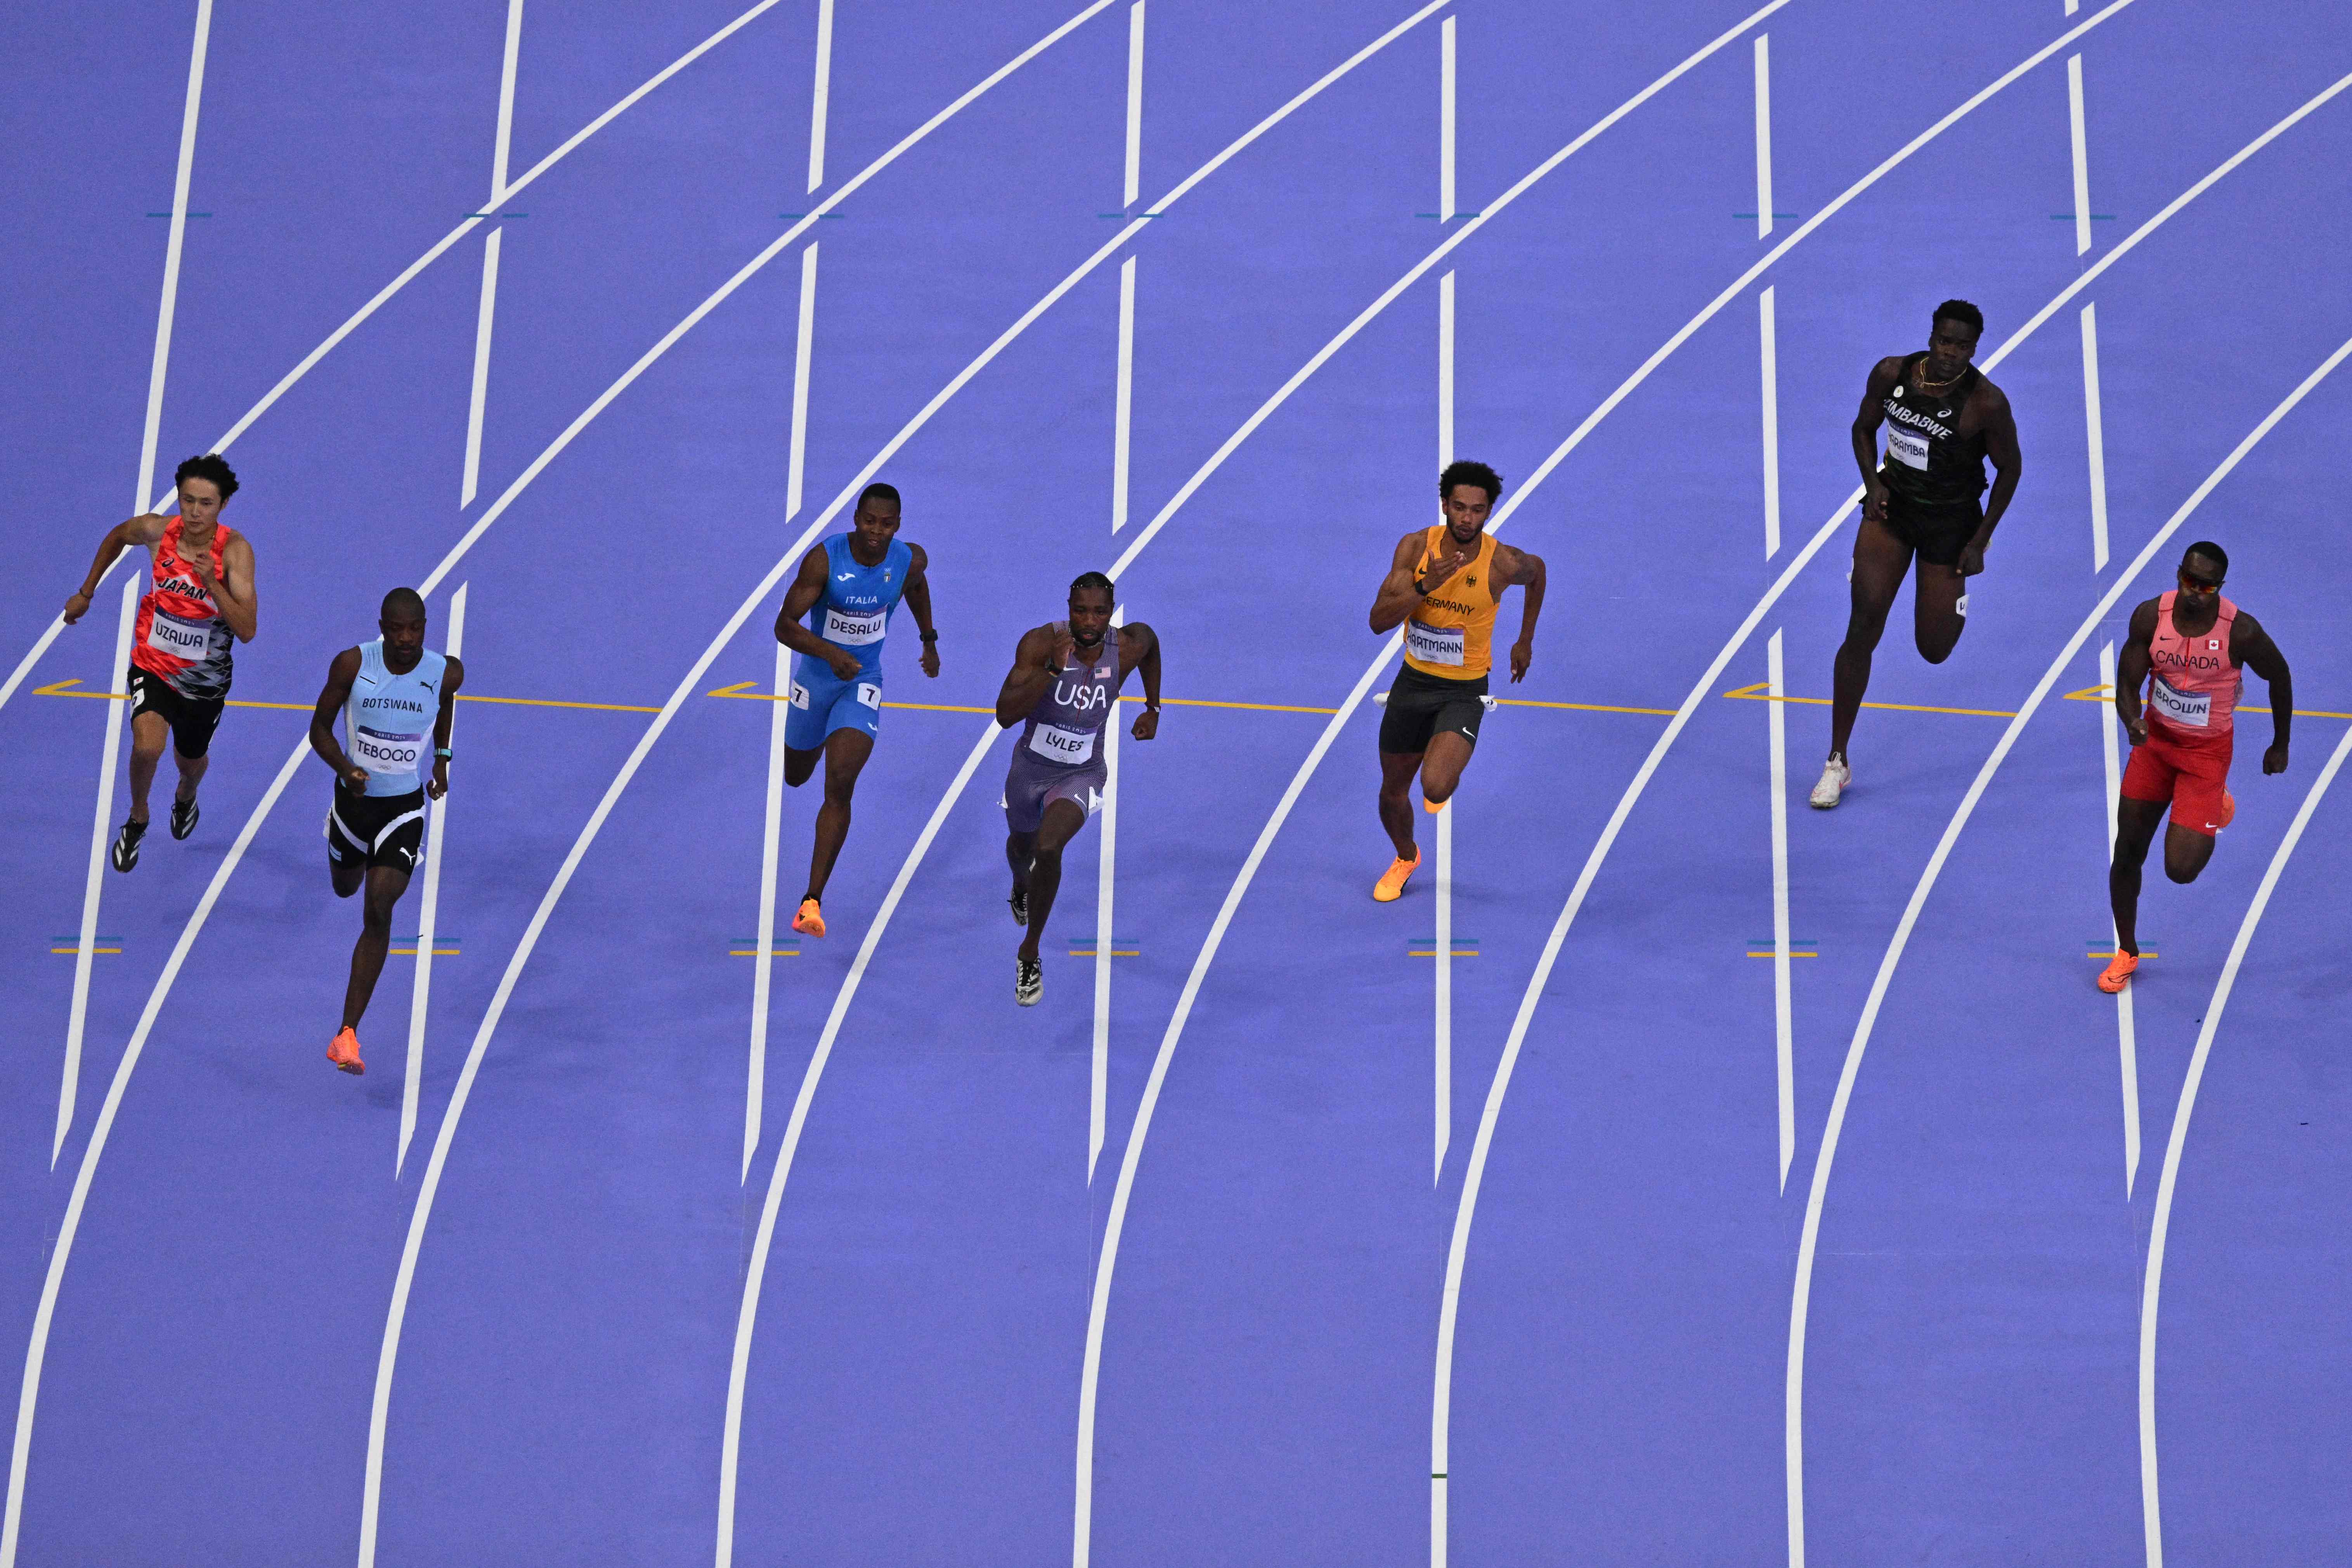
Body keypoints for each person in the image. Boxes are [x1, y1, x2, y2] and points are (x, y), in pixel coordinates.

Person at [1811, 300, 2023, 808]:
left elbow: (2010, 472)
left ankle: (1953, 597)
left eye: (1963, 346)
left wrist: (1979, 542)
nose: (1951, 353)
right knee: (1862, 627)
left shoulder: (1986, 404)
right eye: (1944, 341)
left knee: (1933, 648)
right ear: (1931, 337)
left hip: (1950, 527)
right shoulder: (1891, 373)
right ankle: (1836, 761)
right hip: (1892, 514)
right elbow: (1862, 429)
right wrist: (1871, 484)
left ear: (1975, 349)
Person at [2100, 543, 2290, 994]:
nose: (2194, 592)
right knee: (2127, 851)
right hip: (2156, 748)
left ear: (2219, 589)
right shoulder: (2150, 617)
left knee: (2180, 871)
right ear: (2179, 574)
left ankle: (2215, 801)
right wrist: (2132, 720)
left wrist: (2279, 744)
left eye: (2205, 587)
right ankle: (2126, 951)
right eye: (2188, 580)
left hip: (2205, 757)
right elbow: (2127, 683)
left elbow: (2279, 675)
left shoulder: (2240, 632)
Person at [61, 454, 259, 870]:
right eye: (188, 500)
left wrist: (212, 584)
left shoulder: (235, 553)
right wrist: (87, 592)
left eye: (206, 503)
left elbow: (247, 629)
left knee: (189, 762)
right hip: (152, 665)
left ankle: (186, 795)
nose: (194, 512)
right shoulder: (159, 531)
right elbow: (119, 535)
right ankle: (138, 816)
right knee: (147, 748)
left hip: (204, 683)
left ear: (222, 506)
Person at [1364, 459, 1545, 902]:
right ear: (1444, 504)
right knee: (1391, 795)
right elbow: (1377, 622)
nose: (1467, 518)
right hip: (1413, 682)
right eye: (1459, 507)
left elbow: (1538, 574)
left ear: (1488, 512)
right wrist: (1425, 586)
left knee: (1436, 785)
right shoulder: (1413, 550)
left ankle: (1443, 760)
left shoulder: (1502, 563)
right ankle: (1406, 857)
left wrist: (1524, 640)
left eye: (1478, 510)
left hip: (1463, 689)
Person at [306, 589, 465, 1074]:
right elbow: (319, 730)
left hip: (403, 807)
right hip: (353, 807)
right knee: (344, 887)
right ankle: (337, 841)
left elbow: (443, 706)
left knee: (378, 907)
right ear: (382, 626)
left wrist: (441, 759)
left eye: (414, 629)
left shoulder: (446, 672)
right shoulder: (353, 665)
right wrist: (346, 769)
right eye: (396, 629)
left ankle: (347, 1034)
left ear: (424, 627)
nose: (405, 638)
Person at [771, 482, 938, 938]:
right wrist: (828, 653)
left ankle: (811, 901)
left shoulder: (908, 559)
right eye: (869, 522)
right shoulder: (825, 561)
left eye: (886, 525)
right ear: (856, 519)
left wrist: (929, 639)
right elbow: (784, 625)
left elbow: (916, 586)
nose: (876, 532)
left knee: (840, 782)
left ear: (897, 526)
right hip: (817, 679)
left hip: (863, 682)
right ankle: (820, 731)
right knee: (796, 775)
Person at [994, 573, 1159, 1005]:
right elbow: (1004, 716)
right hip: (1029, 770)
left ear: (1112, 612)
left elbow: (1152, 643)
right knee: (1022, 847)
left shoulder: (1126, 646)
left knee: (1049, 848)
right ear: (1068, 608)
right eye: (1080, 611)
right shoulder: (1039, 643)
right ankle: (1018, 886)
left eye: (1100, 612)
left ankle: (1029, 953)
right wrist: (1051, 668)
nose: (1089, 620)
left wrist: (1153, 708)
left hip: (1082, 772)